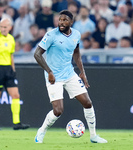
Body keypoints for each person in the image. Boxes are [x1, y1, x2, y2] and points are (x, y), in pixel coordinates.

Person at [34, 10, 107, 144]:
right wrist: (49, 72)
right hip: (54, 77)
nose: (61, 22)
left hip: (69, 74)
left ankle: (93, 136)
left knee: (88, 103)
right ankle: (42, 130)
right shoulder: (51, 35)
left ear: (71, 22)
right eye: (60, 20)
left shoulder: (76, 35)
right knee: (58, 111)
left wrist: (82, 72)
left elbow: (76, 53)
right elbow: (37, 54)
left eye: (65, 20)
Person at [0, 18, 30, 130]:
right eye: (1, 27)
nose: (3, 29)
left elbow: (11, 55)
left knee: (16, 95)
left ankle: (17, 123)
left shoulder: (11, 39)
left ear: (10, 27)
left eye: (5, 27)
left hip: (8, 70)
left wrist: (13, 69)